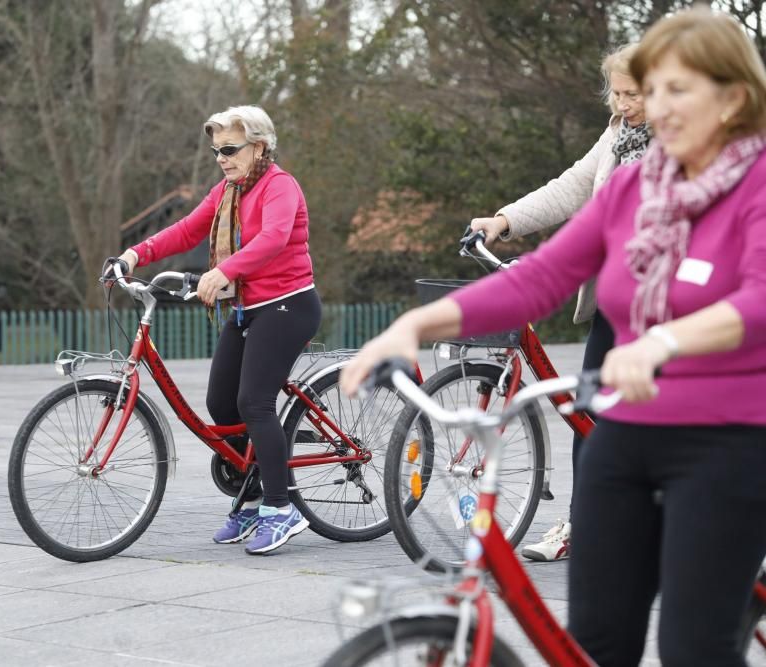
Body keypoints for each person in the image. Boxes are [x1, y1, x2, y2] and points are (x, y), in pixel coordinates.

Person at [342, 7, 766, 665]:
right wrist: (415, 323)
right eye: (651, 90)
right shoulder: (630, 189)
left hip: (727, 443)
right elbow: (540, 277)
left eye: (677, 89)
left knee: (694, 648)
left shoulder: (757, 185)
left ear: (734, 96)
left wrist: (663, 341)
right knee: (593, 643)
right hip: (625, 440)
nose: (657, 107)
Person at [470, 42, 653, 563]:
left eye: (632, 94)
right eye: (615, 93)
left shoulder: (685, 145)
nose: (621, 104)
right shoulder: (617, 135)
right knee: (586, 414)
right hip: (613, 302)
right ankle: (585, 523)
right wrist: (504, 220)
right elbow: (572, 185)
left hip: (667, 310)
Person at [113, 105, 320, 555]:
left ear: (259, 147)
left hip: (289, 305)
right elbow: (188, 230)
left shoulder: (279, 186)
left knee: (255, 402)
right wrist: (135, 253)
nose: (222, 159)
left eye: (230, 149)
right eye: (216, 151)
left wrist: (224, 270)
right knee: (221, 403)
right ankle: (254, 495)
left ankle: (282, 508)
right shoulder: (228, 192)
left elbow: (275, 238)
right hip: (248, 308)